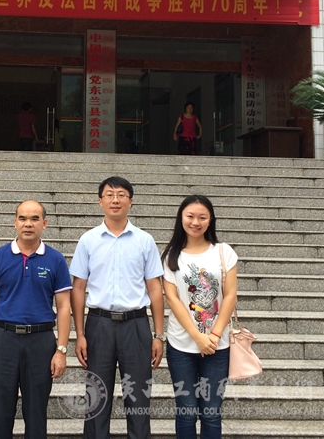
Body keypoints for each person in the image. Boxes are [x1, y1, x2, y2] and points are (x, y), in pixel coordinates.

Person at [70, 176, 166, 439]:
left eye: (121, 195)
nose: (115, 200)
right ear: (100, 201)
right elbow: (78, 288)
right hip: (98, 325)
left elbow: (155, 288)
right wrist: (80, 334)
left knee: (138, 400)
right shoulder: (88, 240)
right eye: (109, 195)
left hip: (136, 325)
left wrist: (158, 335)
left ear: (130, 201)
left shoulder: (144, 240)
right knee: (96, 398)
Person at [0, 200, 72, 439]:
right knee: (1, 412)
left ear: (45, 223)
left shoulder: (55, 259)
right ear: (15, 222)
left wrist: (61, 350)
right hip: (3, 340)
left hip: (41, 341)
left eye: (35, 219)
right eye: (23, 218)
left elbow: (63, 306)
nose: (28, 224)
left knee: (37, 412)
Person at [160, 195, 238, 439]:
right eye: (190, 216)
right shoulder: (171, 256)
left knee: (211, 411)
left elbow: (230, 295)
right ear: (181, 218)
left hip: (218, 345)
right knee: (186, 410)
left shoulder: (224, 252)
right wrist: (198, 337)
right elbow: (172, 299)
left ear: (210, 220)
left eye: (202, 217)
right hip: (181, 344)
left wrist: (213, 336)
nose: (195, 222)